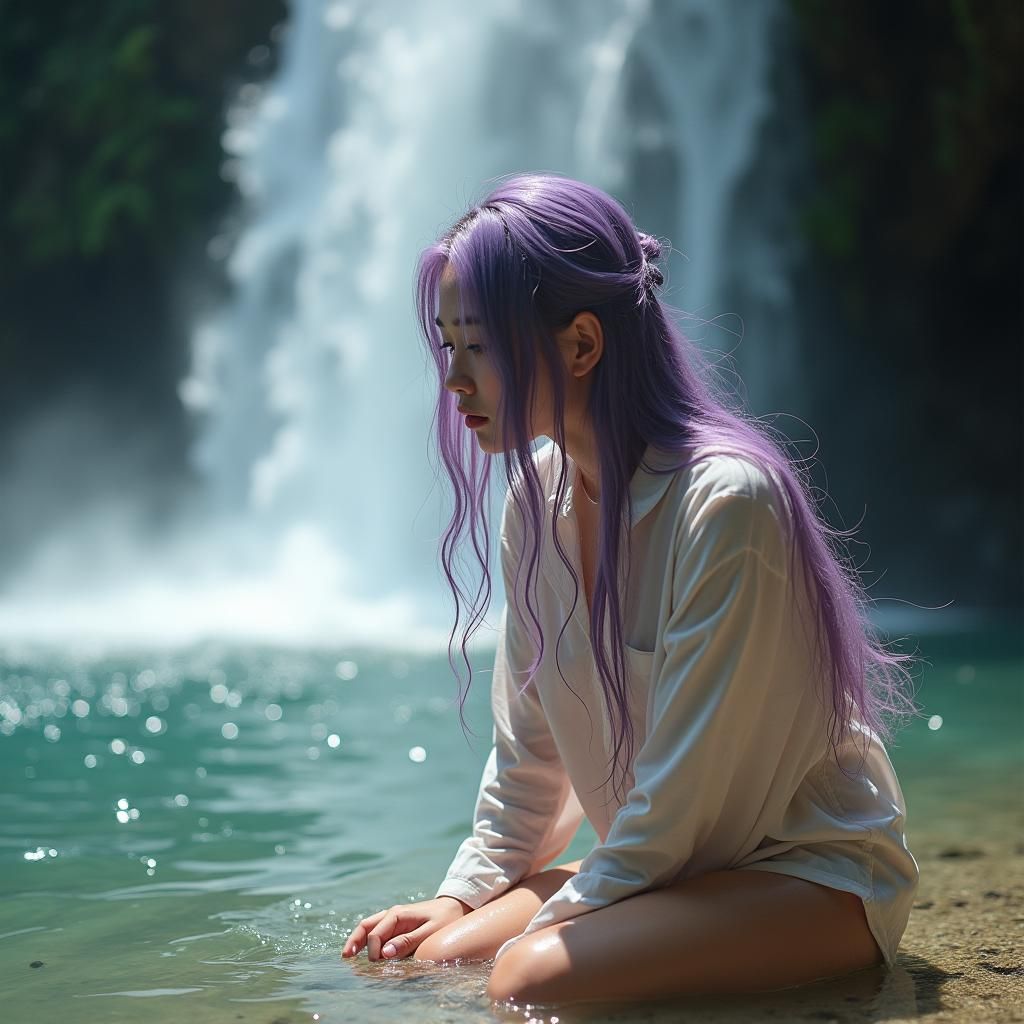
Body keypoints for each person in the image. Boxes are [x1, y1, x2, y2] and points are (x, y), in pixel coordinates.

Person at [341, 173, 920, 1006]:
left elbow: (688, 807)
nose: (455, 381)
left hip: (802, 873)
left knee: (525, 978)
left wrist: (551, 924)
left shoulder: (727, 505)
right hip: (676, 863)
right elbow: (532, 759)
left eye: (480, 345)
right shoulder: (535, 500)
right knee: (432, 956)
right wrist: (460, 895)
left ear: (582, 344)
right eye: (447, 346)